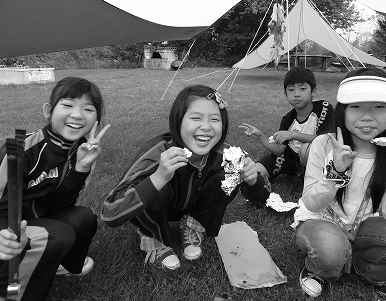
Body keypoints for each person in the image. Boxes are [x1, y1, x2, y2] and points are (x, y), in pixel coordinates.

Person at [291, 68, 386, 299]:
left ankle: (371, 272)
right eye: (356, 106)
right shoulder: (323, 144)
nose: (367, 116)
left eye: (379, 106)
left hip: (365, 225)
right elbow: (312, 202)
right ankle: (319, 270)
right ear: (343, 111)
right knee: (330, 252)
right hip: (320, 219)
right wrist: (336, 170)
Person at [101, 85, 270, 271]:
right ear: (178, 121)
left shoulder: (226, 154)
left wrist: (254, 180)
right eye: (196, 118)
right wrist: (158, 177)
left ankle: (193, 224)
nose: (206, 127)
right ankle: (153, 237)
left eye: (214, 119)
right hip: (161, 206)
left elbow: (262, 197)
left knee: (229, 174)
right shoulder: (158, 153)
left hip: (194, 203)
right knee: (151, 183)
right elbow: (110, 212)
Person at [0, 77, 110, 301]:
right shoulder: (19, 149)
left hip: (36, 220)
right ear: (48, 111)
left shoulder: (82, 151)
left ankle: (61, 266)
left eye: (88, 109)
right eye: (68, 105)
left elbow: (62, 205)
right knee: (58, 234)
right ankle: (11, 294)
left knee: (84, 218)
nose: (78, 115)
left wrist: (80, 168)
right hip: (6, 230)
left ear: (96, 118)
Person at [239, 67, 334, 194]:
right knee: (255, 170)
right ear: (286, 95)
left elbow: (326, 138)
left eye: (303, 88)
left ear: (313, 91)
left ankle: (307, 180)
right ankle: (258, 190)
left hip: (317, 157)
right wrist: (260, 136)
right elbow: (279, 151)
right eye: (291, 90)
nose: (297, 93)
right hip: (290, 157)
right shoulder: (288, 119)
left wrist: (293, 134)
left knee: (306, 149)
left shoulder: (323, 108)